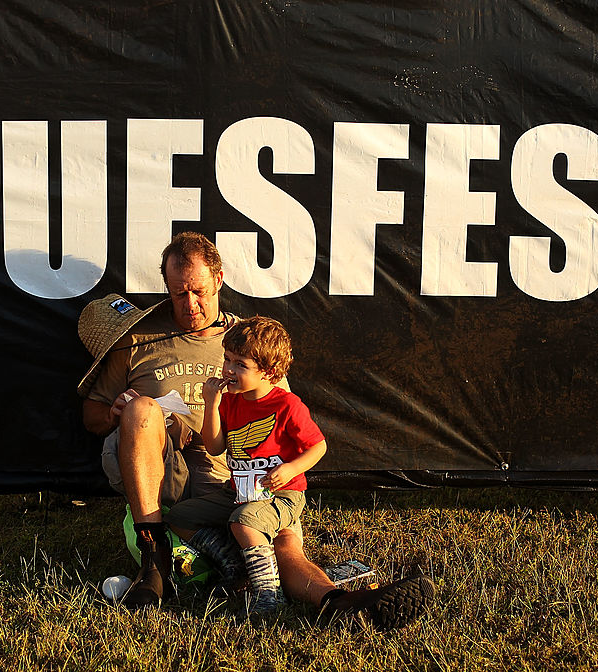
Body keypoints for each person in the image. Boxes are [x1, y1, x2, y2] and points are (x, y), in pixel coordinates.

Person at [78, 231, 433, 627]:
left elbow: (283, 421)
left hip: (236, 473)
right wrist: (118, 414)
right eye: (179, 293)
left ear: (219, 280)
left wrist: (275, 477)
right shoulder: (137, 339)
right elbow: (91, 417)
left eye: (199, 291)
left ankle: (340, 602)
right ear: (167, 287)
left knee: (283, 546)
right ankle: (154, 561)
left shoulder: (249, 342)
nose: (191, 304)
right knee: (142, 409)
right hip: (167, 472)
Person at [165, 316, 327, 614]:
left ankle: (269, 593)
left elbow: (318, 446)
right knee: (179, 516)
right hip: (237, 492)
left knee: (244, 520)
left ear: (269, 372)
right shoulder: (229, 401)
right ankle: (233, 563)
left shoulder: (286, 405)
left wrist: (291, 469)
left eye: (240, 364)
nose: (228, 369)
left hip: (282, 496)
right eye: (227, 359)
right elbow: (214, 447)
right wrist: (212, 403)